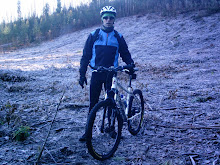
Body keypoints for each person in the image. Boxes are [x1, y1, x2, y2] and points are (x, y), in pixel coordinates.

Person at [78, 6, 135, 141]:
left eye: (111, 17)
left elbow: (125, 54)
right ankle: (88, 132)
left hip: (111, 74)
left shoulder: (118, 37)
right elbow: (85, 56)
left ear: (114, 19)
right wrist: (82, 74)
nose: (108, 20)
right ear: (102, 19)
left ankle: (111, 128)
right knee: (93, 104)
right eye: (106, 17)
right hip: (97, 73)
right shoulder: (94, 35)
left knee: (111, 103)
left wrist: (131, 65)